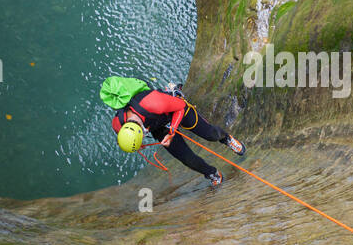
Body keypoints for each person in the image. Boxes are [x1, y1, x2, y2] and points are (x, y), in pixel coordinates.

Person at [101, 76, 245, 187]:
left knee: (210, 134)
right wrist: (137, 145)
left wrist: (172, 131)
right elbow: (123, 140)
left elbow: (180, 107)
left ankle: (226, 138)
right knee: (187, 159)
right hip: (158, 126)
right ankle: (211, 173)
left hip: (174, 109)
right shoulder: (118, 124)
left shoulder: (152, 103)